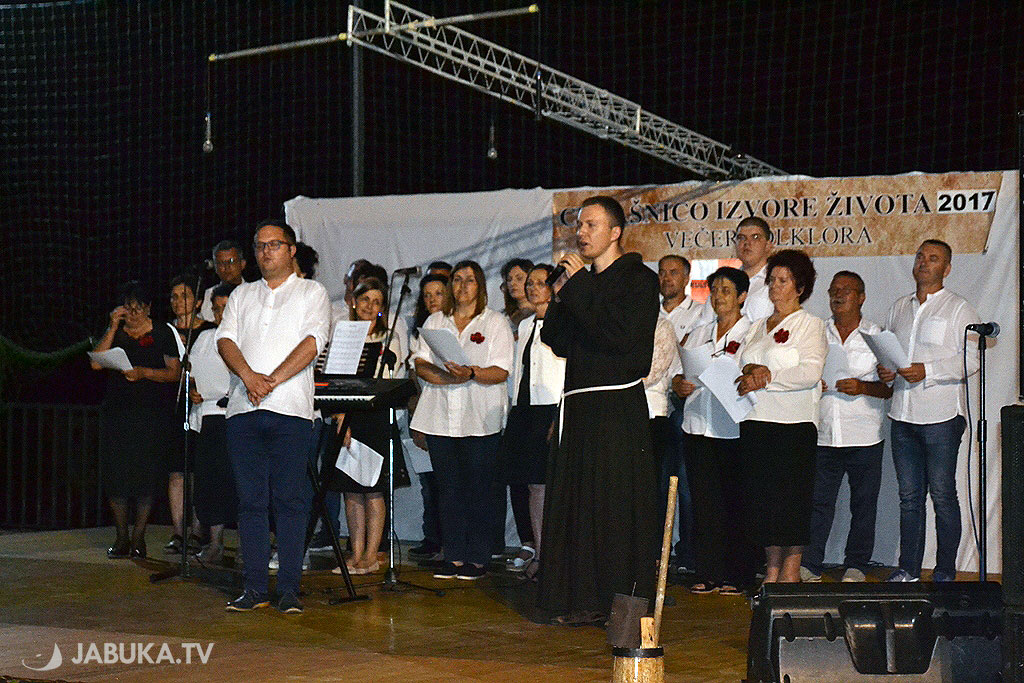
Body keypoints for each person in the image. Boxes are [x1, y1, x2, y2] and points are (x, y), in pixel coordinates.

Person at [538, 195, 660, 625]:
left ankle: (619, 603)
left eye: (591, 225)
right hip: (579, 407)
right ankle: (582, 599)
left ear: (615, 232)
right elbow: (557, 341)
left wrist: (577, 289)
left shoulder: (639, 280)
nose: (581, 233)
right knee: (579, 506)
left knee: (612, 507)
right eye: (578, 225)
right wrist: (560, 297)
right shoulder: (581, 282)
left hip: (615, 408)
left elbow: (618, 337)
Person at [216, 219, 330, 613]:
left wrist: (271, 380)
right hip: (243, 409)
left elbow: (313, 342)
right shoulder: (242, 294)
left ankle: (289, 589)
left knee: (290, 501)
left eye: (274, 244)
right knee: (250, 503)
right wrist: (249, 377)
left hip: (290, 411)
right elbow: (225, 340)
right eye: (260, 245)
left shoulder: (312, 292)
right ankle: (254, 588)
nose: (266, 251)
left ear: (291, 250)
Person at [878, 240, 979, 583]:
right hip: (902, 415)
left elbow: (972, 360)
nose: (923, 262)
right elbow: (889, 354)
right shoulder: (899, 307)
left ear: (946, 269)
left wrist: (929, 371)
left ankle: (945, 571)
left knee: (942, 495)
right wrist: (885, 371)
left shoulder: (959, 309)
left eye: (933, 258)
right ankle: (908, 569)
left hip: (941, 417)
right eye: (920, 256)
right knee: (909, 498)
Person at [410, 260, 514, 581]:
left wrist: (470, 373)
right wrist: (447, 378)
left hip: (479, 420)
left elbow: (501, 370)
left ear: (480, 286)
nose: (462, 286)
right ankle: (453, 555)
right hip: (440, 419)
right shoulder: (436, 320)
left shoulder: (494, 322)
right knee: (448, 490)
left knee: (478, 491)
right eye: (457, 279)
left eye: (469, 280)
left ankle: (478, 557)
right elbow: (420, 363)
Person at [735, 249, 827, 583]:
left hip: (793, 425)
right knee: (764, 501)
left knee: (791, 501)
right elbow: (741, 363)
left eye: (783, 280)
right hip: (757, 421)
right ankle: (771, 570)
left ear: (800, 287)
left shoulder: (810, 325)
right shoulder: (758, 326)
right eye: (772, 280)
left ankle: (791, 572)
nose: (775, 286)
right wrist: (750, 369)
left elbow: (810, 372)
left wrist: (767, 377)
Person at [800, 272, 892, 583]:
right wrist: (815, 382)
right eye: (833, 291)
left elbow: (889, 388)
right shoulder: (816, 332)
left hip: (863, 434)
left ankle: (857, 564)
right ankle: (811, 563)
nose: (838, 296)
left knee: (863, 504)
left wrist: (863, 387)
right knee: (818, 503)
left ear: (861, 297)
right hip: (824, 432)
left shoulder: (876, 335)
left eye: (846, 291)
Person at [674, 267, 755, 595]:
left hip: (733, 427)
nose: (719, 297)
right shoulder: (698, 333)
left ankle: (737, 575)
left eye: (726, 290)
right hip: (697, 425)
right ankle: (708, 572)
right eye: (715, 290)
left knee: (735, 502)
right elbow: (678, 372)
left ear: (742, 296)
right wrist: (678, 384)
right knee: (703, 503)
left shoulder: (752, 332)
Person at [91, 281, 181, 560]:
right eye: (128, 308)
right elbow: (96, 362)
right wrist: (112, 326)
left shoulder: (163, 332)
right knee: (117, 476)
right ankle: (121, 536)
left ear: (149, 308)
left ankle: (139, 535)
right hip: (118, 415)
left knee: (146, 477)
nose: (133, 313)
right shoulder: (117, 333)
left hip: (151, 415)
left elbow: (174, 372)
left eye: (138, 308)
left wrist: (144, 372)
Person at [326, 277, 406, 576]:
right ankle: (356, 552)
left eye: (377, 302)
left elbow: (387, 380)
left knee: (373, 491)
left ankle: (372, 555)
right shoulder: (342, 335)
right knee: (350, 491)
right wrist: (339, 419)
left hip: (375, 418)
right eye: (365, 300)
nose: (370, 307)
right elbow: (333, 382)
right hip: (347, 417)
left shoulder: (388, 339)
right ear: (354, 302)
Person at [500, 263, 565, 579]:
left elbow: (568, 371)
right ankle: (538, 550)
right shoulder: (525, 325)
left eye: (540, 283)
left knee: (544, 486)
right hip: (524, 409)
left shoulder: (563, 321)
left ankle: (550, 556)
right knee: (528, 485)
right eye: (531, 283)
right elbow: (518, 371)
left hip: (550, 408)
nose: (533, 288)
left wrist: (560, 413)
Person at [657, 254, 702, 573]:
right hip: (654, 408)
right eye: (662, 272)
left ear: (687, 278)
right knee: (657, 485)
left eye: (673, 272)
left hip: (686, 406)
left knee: (687, 485)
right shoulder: (647, 312)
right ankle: (657, 554)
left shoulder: (701, 313)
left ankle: (688, 553)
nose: (667, 278)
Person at [188, 283, 237, 565]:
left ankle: (250, 546)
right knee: (210, 480)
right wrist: (193, 391)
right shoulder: (206, 337)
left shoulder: (247, 335)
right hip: (209, 416)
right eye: (216, 309)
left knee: (238, 481)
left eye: (226, 308)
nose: (220, 314)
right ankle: (215, 542)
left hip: (237, 415)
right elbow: (193, 374)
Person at [166, 274, 215, 555]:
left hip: (200, 407)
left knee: (197, 470)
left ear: (198, 301)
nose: (178, 302)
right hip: (172, 407)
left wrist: (199, 387)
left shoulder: (209, 331)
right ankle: (177, 531)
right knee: (176, 471)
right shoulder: (167, 331)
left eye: (184, 296)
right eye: (173, 297)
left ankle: (197, 530)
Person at [407, 273, 450, 560]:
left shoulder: (453, 327)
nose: (432, 299)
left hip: (451, 413)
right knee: (429, 485)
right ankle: (432, 538)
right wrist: (417, 420)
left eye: (438, 293)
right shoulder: (418, 333)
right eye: (427, 295)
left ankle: (451, 543)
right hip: (425, 414)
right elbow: (414, 382)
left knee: (449, 484)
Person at [199, 240, 247, 321]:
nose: (226, 267)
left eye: (231, 261)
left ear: (242, 264)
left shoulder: (252, 292)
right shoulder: (208, 295)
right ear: (215, 267)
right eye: (221, 263)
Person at [500, 258, 536, 335]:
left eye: (519, 278)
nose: (512, 283)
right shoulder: (502, 318)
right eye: (509, 280)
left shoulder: (543, 312)